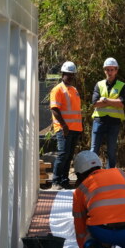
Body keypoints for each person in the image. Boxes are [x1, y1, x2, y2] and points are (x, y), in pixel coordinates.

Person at [90, 57, 125, 169]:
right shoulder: (99, 84)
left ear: (116, 70)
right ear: (104, 71)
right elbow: (95, 103)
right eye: (107, 70)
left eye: (112, 70)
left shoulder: (121, 85)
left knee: (111, 151)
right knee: (94, 150)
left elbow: (122, 103)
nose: (109, 72)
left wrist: (105, 100)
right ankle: (92, 173)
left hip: (114, 122)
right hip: (99, 121)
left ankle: (109, 175)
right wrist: (113, 102)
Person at [50, 61, 83, 190]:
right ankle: (56, 181)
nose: (70, 77)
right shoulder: (58, 89)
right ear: (63, 74)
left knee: (68, 155)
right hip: (64, 129)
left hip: (75, 128)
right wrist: (64, 126)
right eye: (68, 74)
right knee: (63, 154)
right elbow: (54, 109)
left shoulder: (74, 90)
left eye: (72, 75)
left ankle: (64, 180)